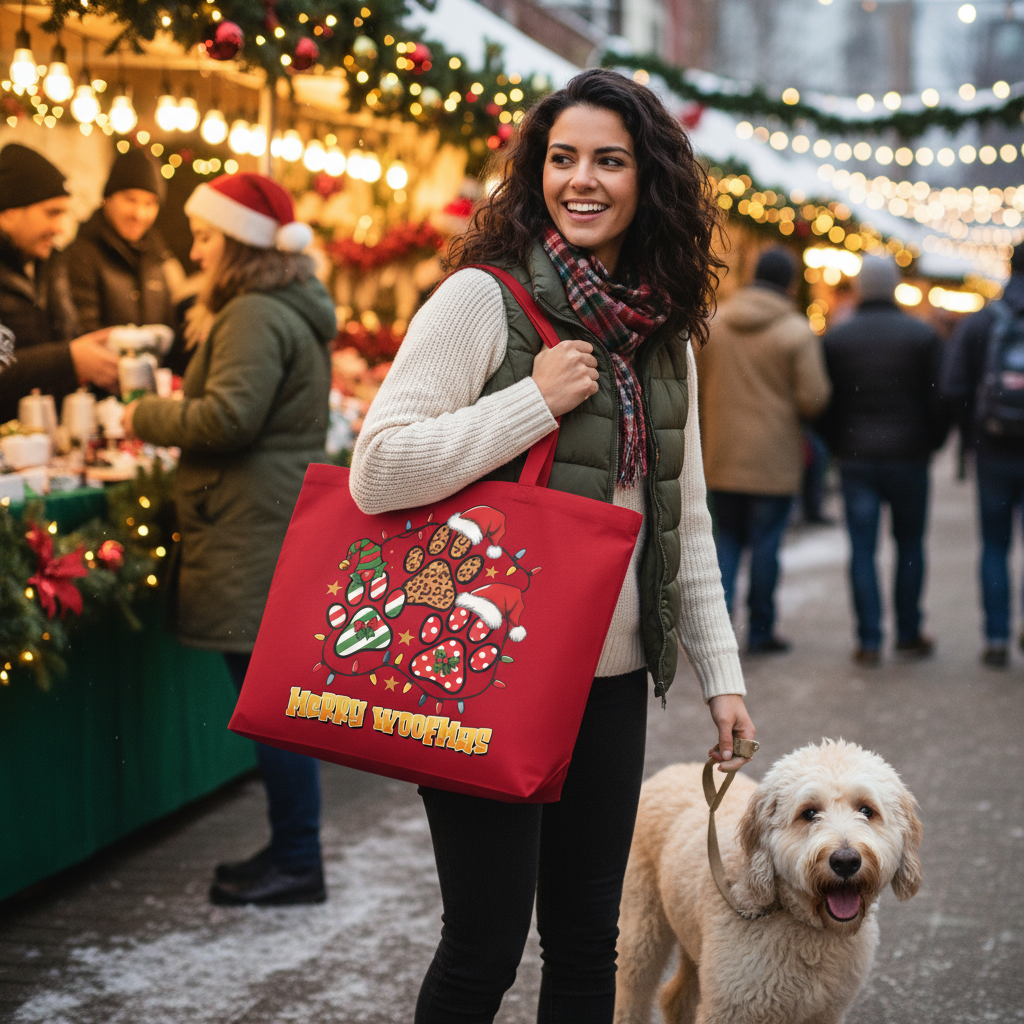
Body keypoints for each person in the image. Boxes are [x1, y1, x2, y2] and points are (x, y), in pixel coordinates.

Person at [349, 68, 755, 1023]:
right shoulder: (478, 302)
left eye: (609, 160)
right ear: (536, 174)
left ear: (646, 180)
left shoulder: (665, 337)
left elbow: (682, 523)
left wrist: (722, 677)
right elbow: (379, 468)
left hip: (609, 683)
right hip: (483, 668)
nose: (582, 180)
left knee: (587, 942)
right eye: (562, 158)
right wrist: (534, 399)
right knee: (484, 944)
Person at [123, 173, 337, 904]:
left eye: (208, 235)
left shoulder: (251, 314)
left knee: (268, 703)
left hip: (252, 524)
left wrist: (145, 411)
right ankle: (289, 848)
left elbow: (226, 420)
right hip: (265, 517)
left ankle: (298, 860)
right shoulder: (281, 307)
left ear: (241, 245)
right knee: (270, 698)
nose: (196, 247)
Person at [696, 247, 831, 654]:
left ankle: (715, 635)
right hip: (773, 460)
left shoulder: (715, 323)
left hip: (720, 454)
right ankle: (760, 629)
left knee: (728, 542)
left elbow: (693, 384)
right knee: (767, 544)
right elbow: (814, 398)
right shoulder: (795, 331)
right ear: (790, 283)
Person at [818, 255, 947, 665]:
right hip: (909, 456)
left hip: (856, 458)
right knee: (910, 544)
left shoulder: (837, 338)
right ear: (893, 287)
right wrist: (931, 442)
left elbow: (825, 403)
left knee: (862, 549)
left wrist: (837, 444)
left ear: (860, 289)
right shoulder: (922, 336)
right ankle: (908, 631)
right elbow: (939, 400)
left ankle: (869, 638)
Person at [941, 242, 1024, 667]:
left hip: (993, 450)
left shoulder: (983, 321)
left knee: (994, 545)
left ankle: (995, 637)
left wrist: (973, 432)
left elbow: (953, 386)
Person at [0, 142, 117, 421]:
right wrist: (69, 358)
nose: (60, 227)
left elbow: (66, 343)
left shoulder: (50, 265)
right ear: (9, 211)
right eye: (52, 212)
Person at [65, 146, 182, 336]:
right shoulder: (81, 254)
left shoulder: (156, 255)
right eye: (130, 200)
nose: (139, 214)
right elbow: (84, 333)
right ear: (107, 198)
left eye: (150, 203)